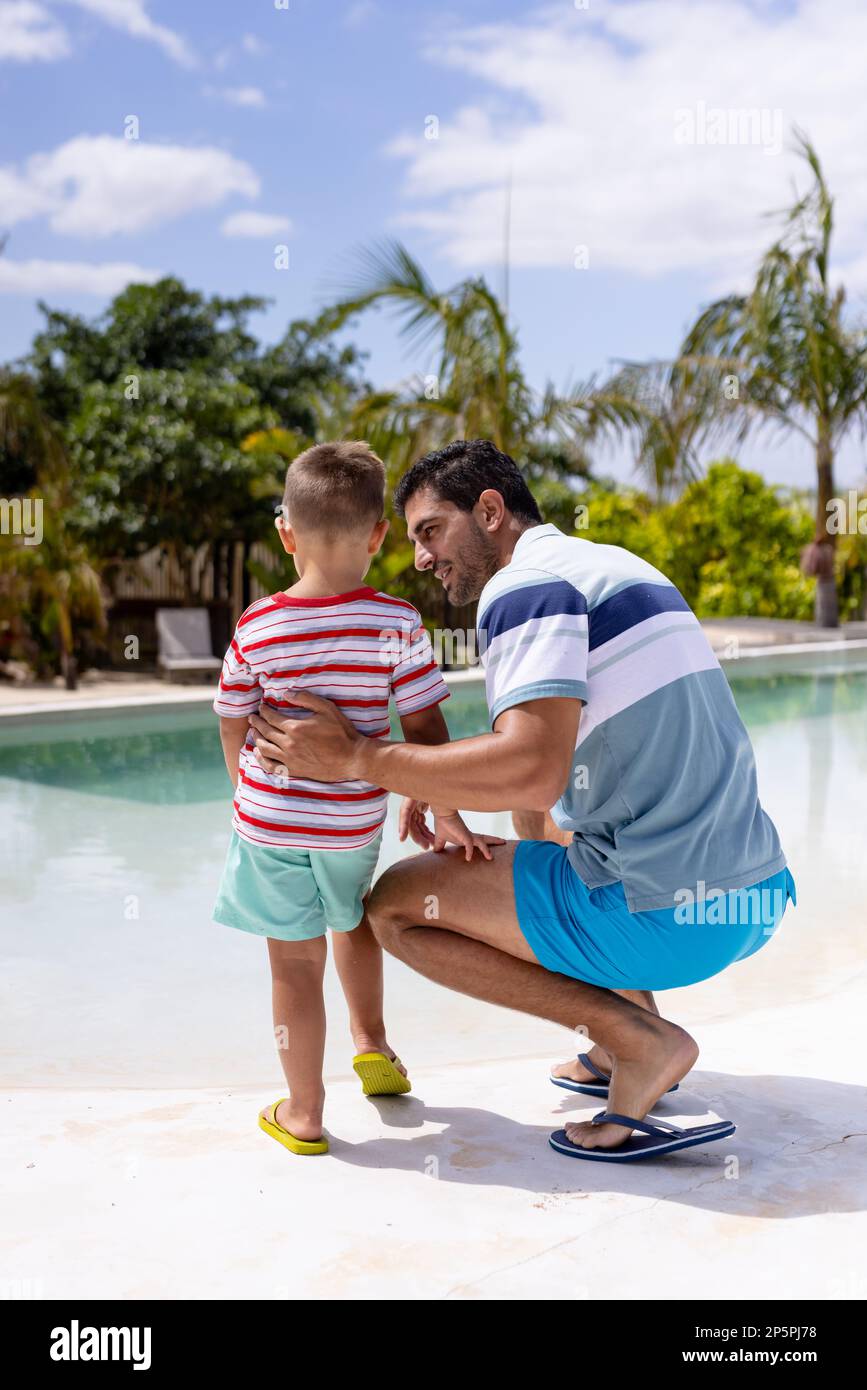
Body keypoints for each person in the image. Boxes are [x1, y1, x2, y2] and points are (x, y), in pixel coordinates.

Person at [249, 438, 796, 1163]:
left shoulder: (522, 588)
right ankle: (611, 1044)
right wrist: (432, 775)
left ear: (489, 509)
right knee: (546, 828)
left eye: (430, 531)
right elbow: (541, 778)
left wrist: (361, 757)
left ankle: (640, 1042)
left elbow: (530, 769)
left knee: (394, 907)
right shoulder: (615, 565)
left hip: (666, 917)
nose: (419, 557)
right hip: (750, 897)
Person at [213, 441, 502, 1156]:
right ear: (379, 535)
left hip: (270, 821)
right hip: (349, 824)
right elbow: (425, 726)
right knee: (353, 922)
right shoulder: (395, 622)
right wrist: (444, 808)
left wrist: (239, 793)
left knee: (291, 963)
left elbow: (230, 717)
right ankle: (371, 1041)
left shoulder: (257, 624)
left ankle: (304, 1114)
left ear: (286, 534)